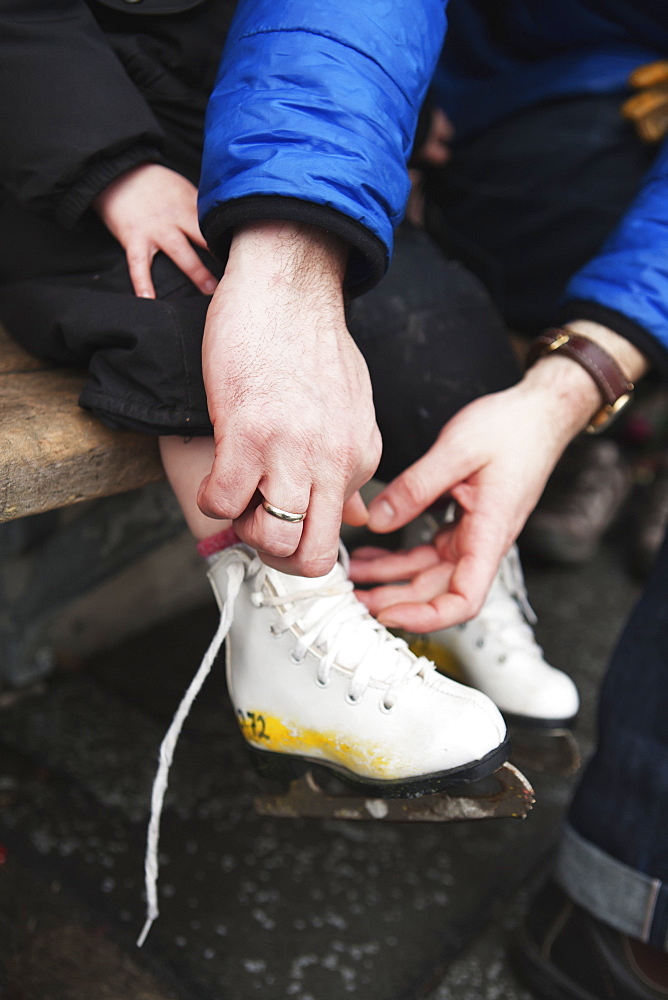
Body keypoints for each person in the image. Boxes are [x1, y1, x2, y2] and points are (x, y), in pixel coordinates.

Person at [342, 4, 668, 996]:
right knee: (423, 325)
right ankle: (628, 899)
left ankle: (608, 446)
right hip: (525, 121)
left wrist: (574, 378)